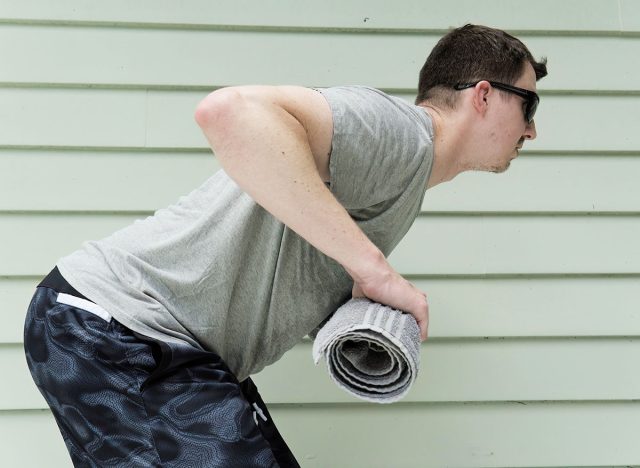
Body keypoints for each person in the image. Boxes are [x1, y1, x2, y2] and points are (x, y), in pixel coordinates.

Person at [23, 24, 547, 467]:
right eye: (529, 104)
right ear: (483, 95)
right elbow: (228, 111)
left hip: (164, 345)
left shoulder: (407, 176)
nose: (532, 130)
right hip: (116, 329)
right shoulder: (400, 132)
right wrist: (377, 271)